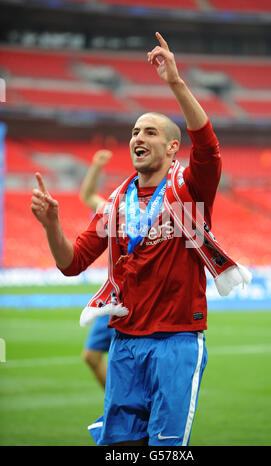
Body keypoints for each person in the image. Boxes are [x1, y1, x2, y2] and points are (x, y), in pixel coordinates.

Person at [31, 32, 250, 446]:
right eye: (134, 131)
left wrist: (175, 82)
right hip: (126, 343)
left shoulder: (189, 192)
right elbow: (71, 262)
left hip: (177, 340)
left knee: (165, 448)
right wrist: (50, 224)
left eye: (149, 132)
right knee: (119, 448)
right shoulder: (115, 205)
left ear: (171, 148)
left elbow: (209, 149)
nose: (137, 137)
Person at [79, 149, 114, 389]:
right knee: (91, 356)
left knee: (128, 363)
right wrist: (96, 166)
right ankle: (116, 404)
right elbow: (88, 195)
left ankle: (128, 408)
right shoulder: (118, 209)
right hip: (114, 296)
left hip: (140, 299)